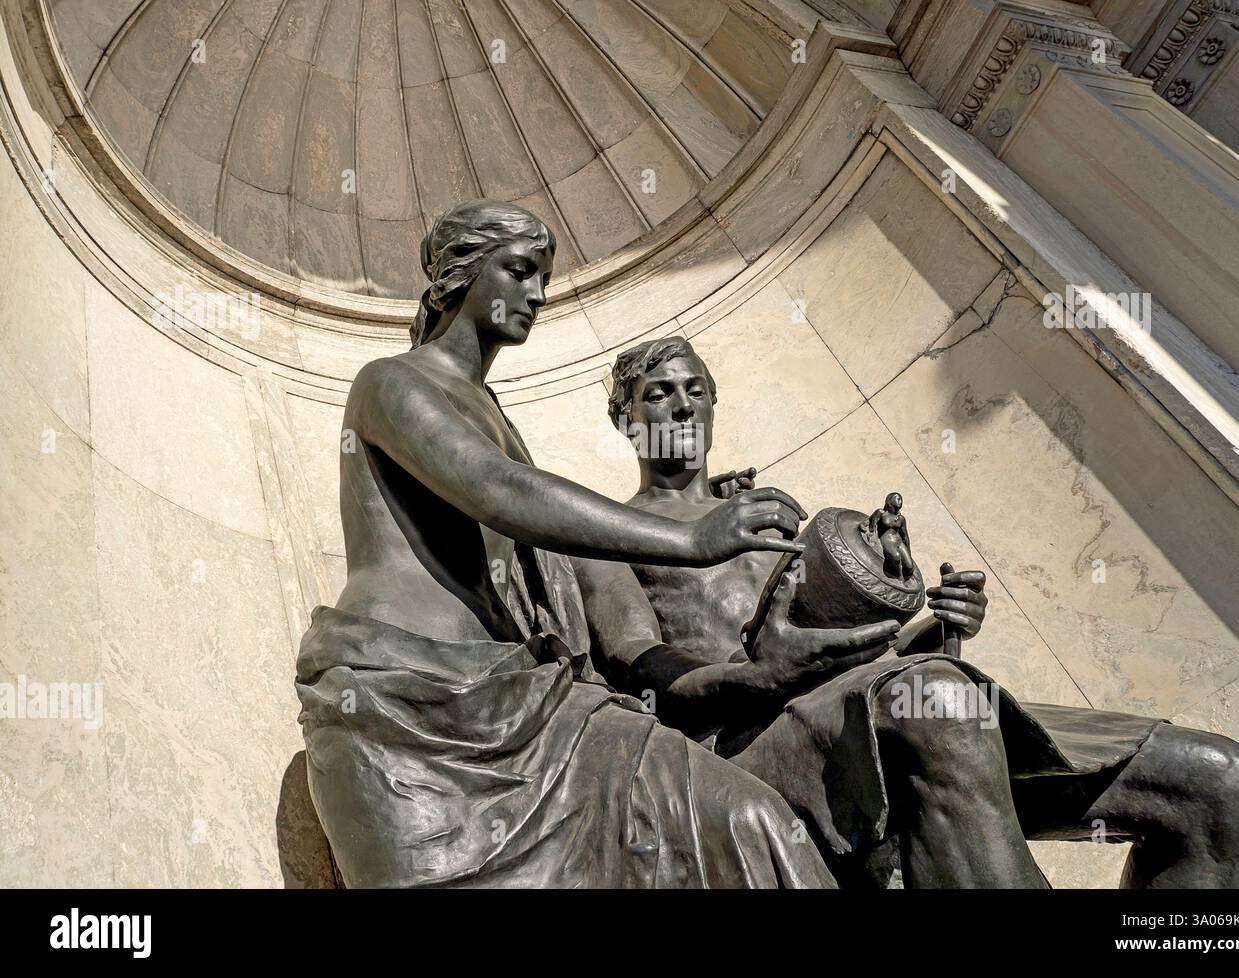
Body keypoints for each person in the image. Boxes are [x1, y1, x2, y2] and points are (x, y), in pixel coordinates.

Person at [572, 335, 1239, 888]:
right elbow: (651, 684)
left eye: (696, 390)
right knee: (932, 698)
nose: (682, 406)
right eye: (658, 395)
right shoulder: (608, 537)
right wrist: (765, 677)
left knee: (1216, 782)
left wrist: (938, 624)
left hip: (881, 715)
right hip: (752, 752)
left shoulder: (771, 517)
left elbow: (857, 657)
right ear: (622, 418)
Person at [294, 200, 841, 888]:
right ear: (459, 275)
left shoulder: (498, 418)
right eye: (520, 271)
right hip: (408, 711)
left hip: (536, 707)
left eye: (544, 277)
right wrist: (691, 538)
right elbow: (499, 492)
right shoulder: (392, 382)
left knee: (752, 821)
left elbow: (552, 555)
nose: (538, 294)